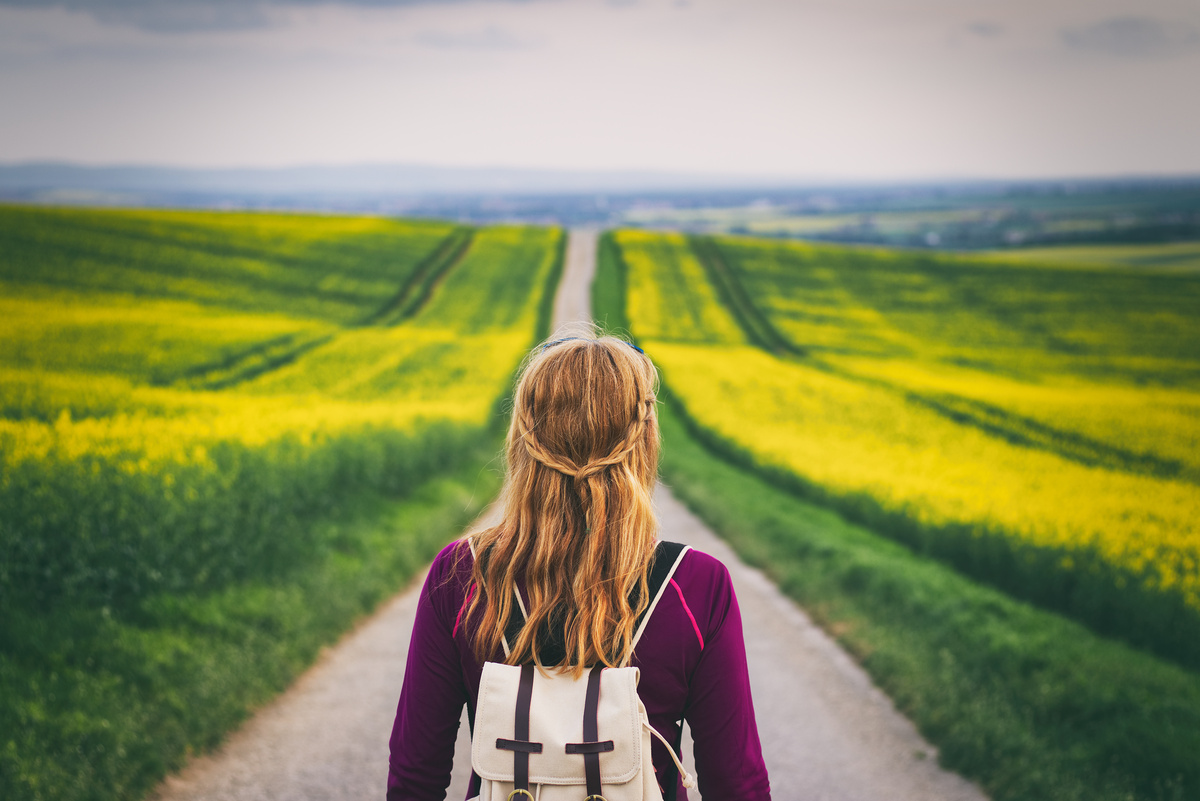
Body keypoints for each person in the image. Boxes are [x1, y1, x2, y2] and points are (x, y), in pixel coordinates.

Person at [387, 332, 771, 800]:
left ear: (523, 439)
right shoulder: (697, 585)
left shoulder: (462, 576)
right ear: (645, 437)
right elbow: (737, 784)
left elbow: (415, 776)